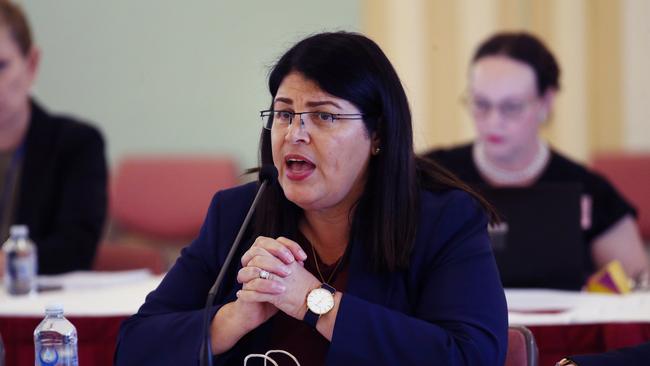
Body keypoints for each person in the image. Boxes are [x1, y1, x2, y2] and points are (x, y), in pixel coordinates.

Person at [115, 32, 508, 365]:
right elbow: (133, 347)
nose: (294, 134)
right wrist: (233, 318)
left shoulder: (444, 218)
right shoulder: (236, 214)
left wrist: (313, 300)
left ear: (378, 135)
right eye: (284, 114)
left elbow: (471, 356)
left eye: (324, 116)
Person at [424, 31, 648, 288]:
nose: (493, 121)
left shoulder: (589, 190)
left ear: (546, 102)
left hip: (563, 327)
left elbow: (638, 287)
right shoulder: (432, 177)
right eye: (481, 104)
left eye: (511, 107)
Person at [0, 2, 107, 274]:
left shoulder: (77, 144)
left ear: (32, 64)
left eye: (1, 65)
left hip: (39, 309)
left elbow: (76, 250)